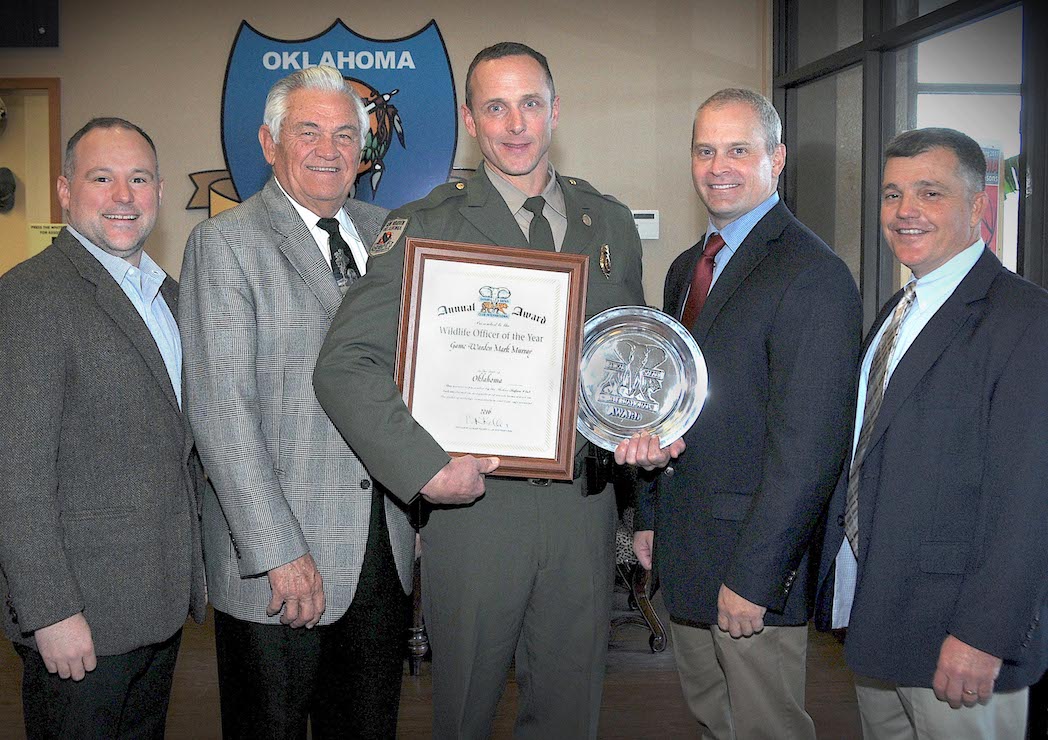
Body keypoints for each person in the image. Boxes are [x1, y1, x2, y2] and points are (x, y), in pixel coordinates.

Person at [313, 42, 671, 738]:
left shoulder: (611, 225)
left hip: (581, 511)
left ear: (555, 112)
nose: (515, 124)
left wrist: (648, 422)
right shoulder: (426, 224)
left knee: (570, 716)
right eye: (496, 106)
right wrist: (423, 468)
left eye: (530, 103)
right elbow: (345, 364)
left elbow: (627, 357)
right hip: (475, 511)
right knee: (466, 714)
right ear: (471, 119)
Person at [179, 66, 415, 739]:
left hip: (382, 551)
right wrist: (280, 551)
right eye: (309, 131)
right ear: (268, 142)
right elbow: (223, 417)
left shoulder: (389, 234)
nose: (330, 149)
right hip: (278, 564)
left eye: (346, 134)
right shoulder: (225, 245)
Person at [629, 89, 862, 739]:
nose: (718, 165)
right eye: (705, 150)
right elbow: (666, 403)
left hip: (752, 573)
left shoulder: (813, 274)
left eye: (738, 149)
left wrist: (756, 578)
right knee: (713, 722)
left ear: (776, 158)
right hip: (686, 553)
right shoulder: (686, 269)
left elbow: (811, 449)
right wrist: (650, 518)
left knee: (766, 729)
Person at [815, 127, 1048, 739]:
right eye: (892, 195)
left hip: (959, 641)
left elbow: (1027, 501)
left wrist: (982, 635)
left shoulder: (1024, 321)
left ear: (978, 206)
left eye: (930, 193)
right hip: (880, 624)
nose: (905, 212)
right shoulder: (897, 312)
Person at [0, 117, 207, 738]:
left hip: (157, 607)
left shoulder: (170, 296)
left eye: (138, 178)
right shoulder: (30, 297)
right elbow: (16, 473)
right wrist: (51, 610)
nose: (123, 196)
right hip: (79, 619)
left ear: (160, 193)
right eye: (102, 177)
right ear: (66, 191)